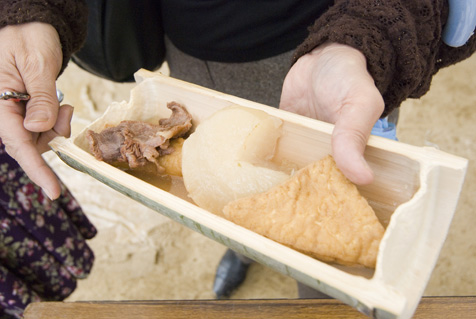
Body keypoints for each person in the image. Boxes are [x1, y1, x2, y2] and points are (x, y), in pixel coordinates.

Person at [1, 0, 475, 316]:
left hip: (328, 45)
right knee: (221, 200)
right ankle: (240, 241)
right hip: (184, 45)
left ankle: (323, 294)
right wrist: (28, 11)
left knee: (318, 250)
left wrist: (368, 36)